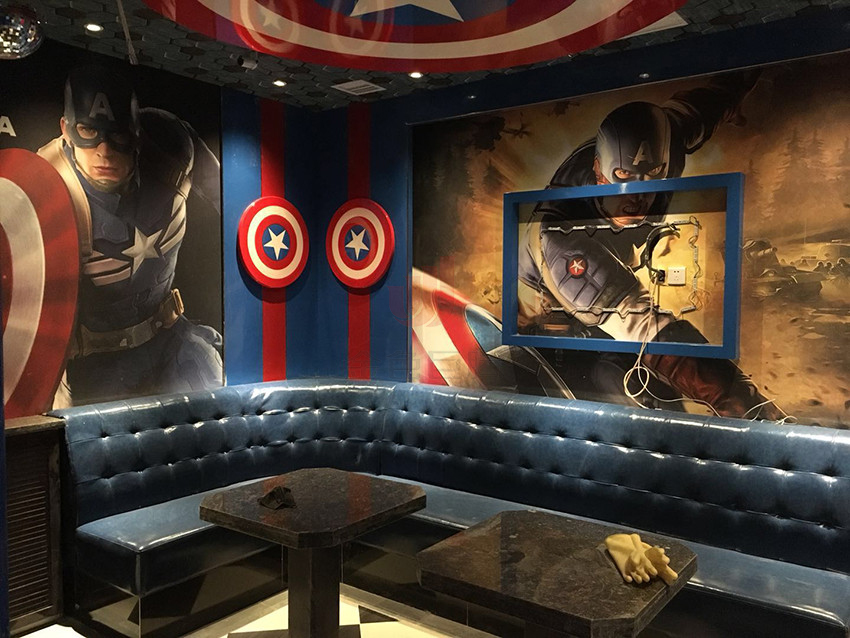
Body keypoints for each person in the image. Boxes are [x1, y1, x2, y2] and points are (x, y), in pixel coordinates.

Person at [517, 72, 783, 419]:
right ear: (598, 170)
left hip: (612, 274)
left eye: (652, 176)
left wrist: (738, 83)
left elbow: (702, 105)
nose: (637, 197)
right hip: (547, 305)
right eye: (623, 178)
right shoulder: (558, 234)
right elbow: (643, 324)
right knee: (618, 388)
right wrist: (739, 398)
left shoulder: (667, 141)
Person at [38, 65, 222, 405]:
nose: (104, 151)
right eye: (88, 131)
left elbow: (235, 202)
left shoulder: (170, 147)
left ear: (136, 131)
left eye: (117, 135)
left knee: (215, 413)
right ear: (66, 128)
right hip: (98, 369)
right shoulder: (44, 190)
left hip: (172, 340)